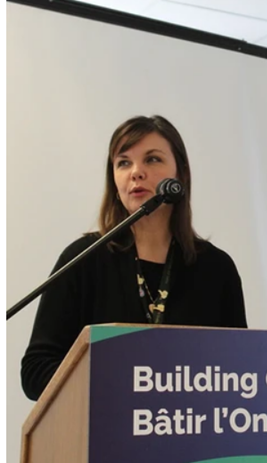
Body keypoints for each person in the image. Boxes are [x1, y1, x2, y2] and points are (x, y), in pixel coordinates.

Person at [21, 115, 248, 401]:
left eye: (152, 159)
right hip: (102, 435)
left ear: (181, 174)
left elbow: (240, 372)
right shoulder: (82, 259)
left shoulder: (216, 269)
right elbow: (35, 371)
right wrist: (117, 385)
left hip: (191, 434)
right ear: (113, 179)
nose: (136, 172)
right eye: (123, 162)